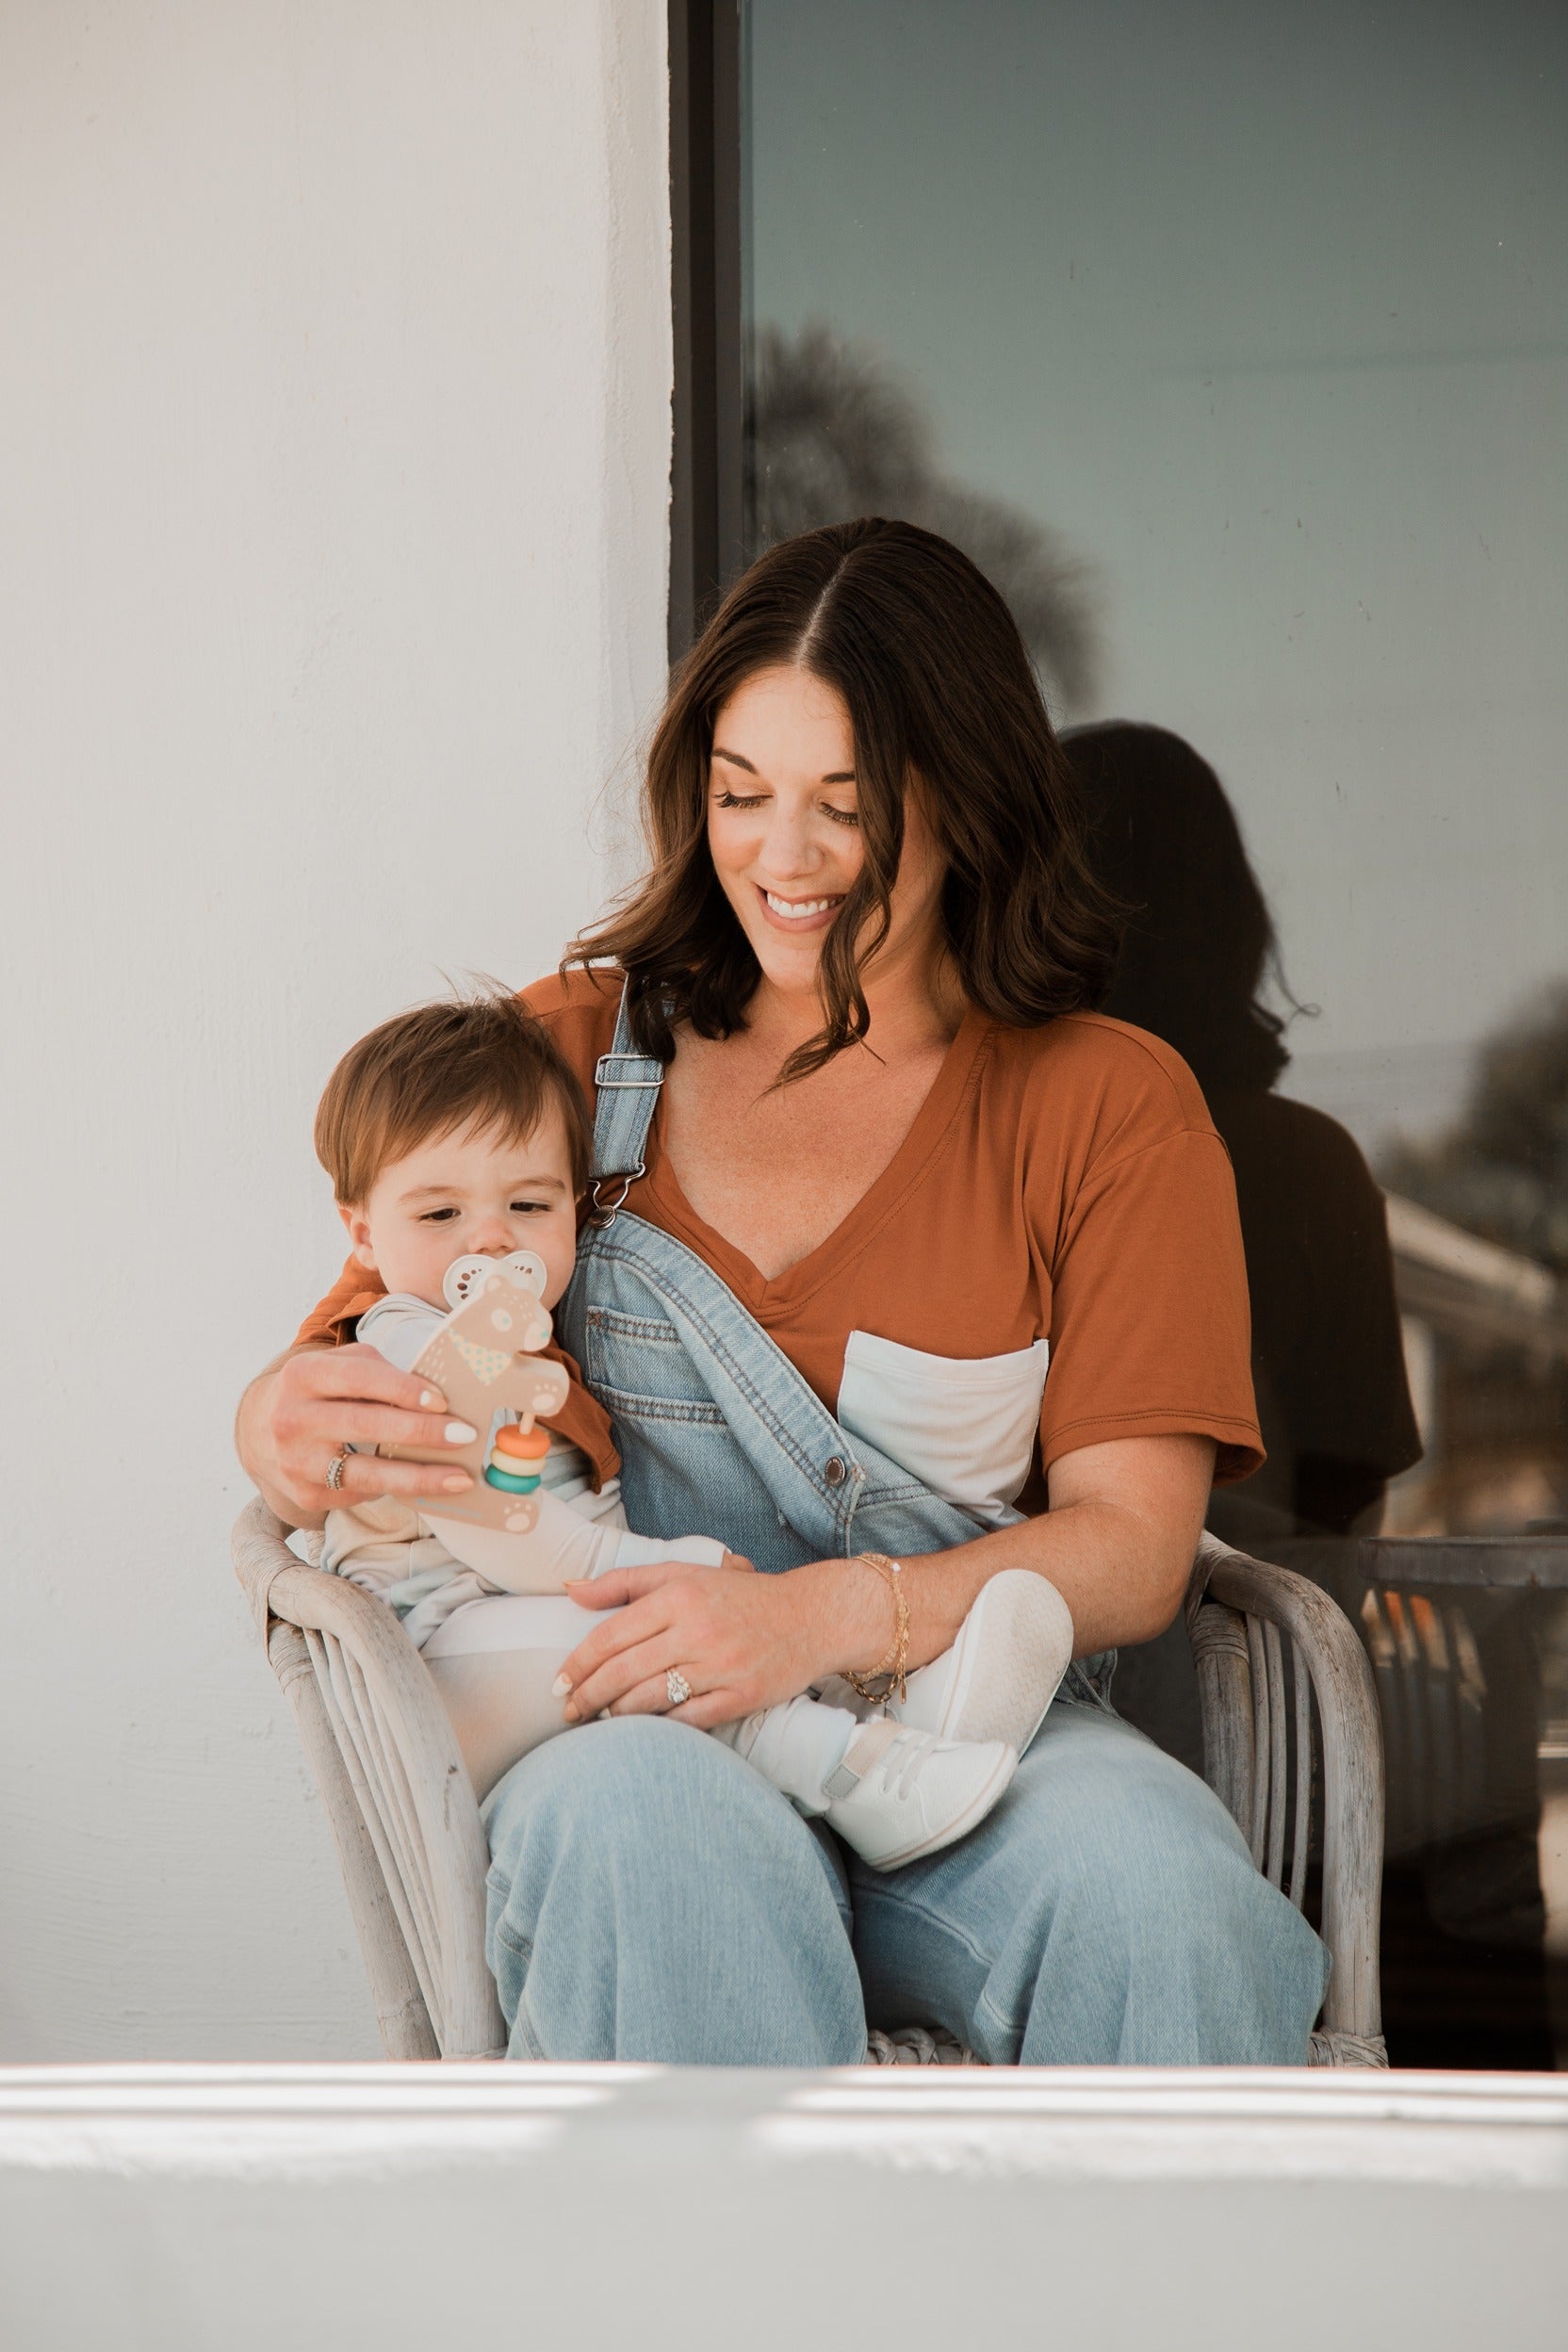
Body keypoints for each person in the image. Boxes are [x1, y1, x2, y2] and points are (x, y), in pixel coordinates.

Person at [237, 516, 1329, 2066]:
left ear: (970, 801)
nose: (782, 857)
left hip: (960, 1743)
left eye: (846, 806)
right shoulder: (566, 1055)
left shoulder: (1103, 1105)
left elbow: (1133, 1549)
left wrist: (808, 1618)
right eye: (739, 795)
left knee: (1168, 1907)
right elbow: (355, 1362)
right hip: (618, 1725)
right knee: (653, 1854)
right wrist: (277, 1417)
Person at [310, 988, 1072, 1866]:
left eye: (530, 1206)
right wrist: (650, 1568)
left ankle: (895, 1718)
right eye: (440, 1215)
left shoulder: (522, 1338)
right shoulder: (419, 1347)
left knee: (699, 1629)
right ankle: (850, 1770)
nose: (489, 1244)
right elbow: (489, 1524)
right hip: (439, 1661)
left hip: (524, 1623)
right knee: (656, 1639)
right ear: (362, 1234)